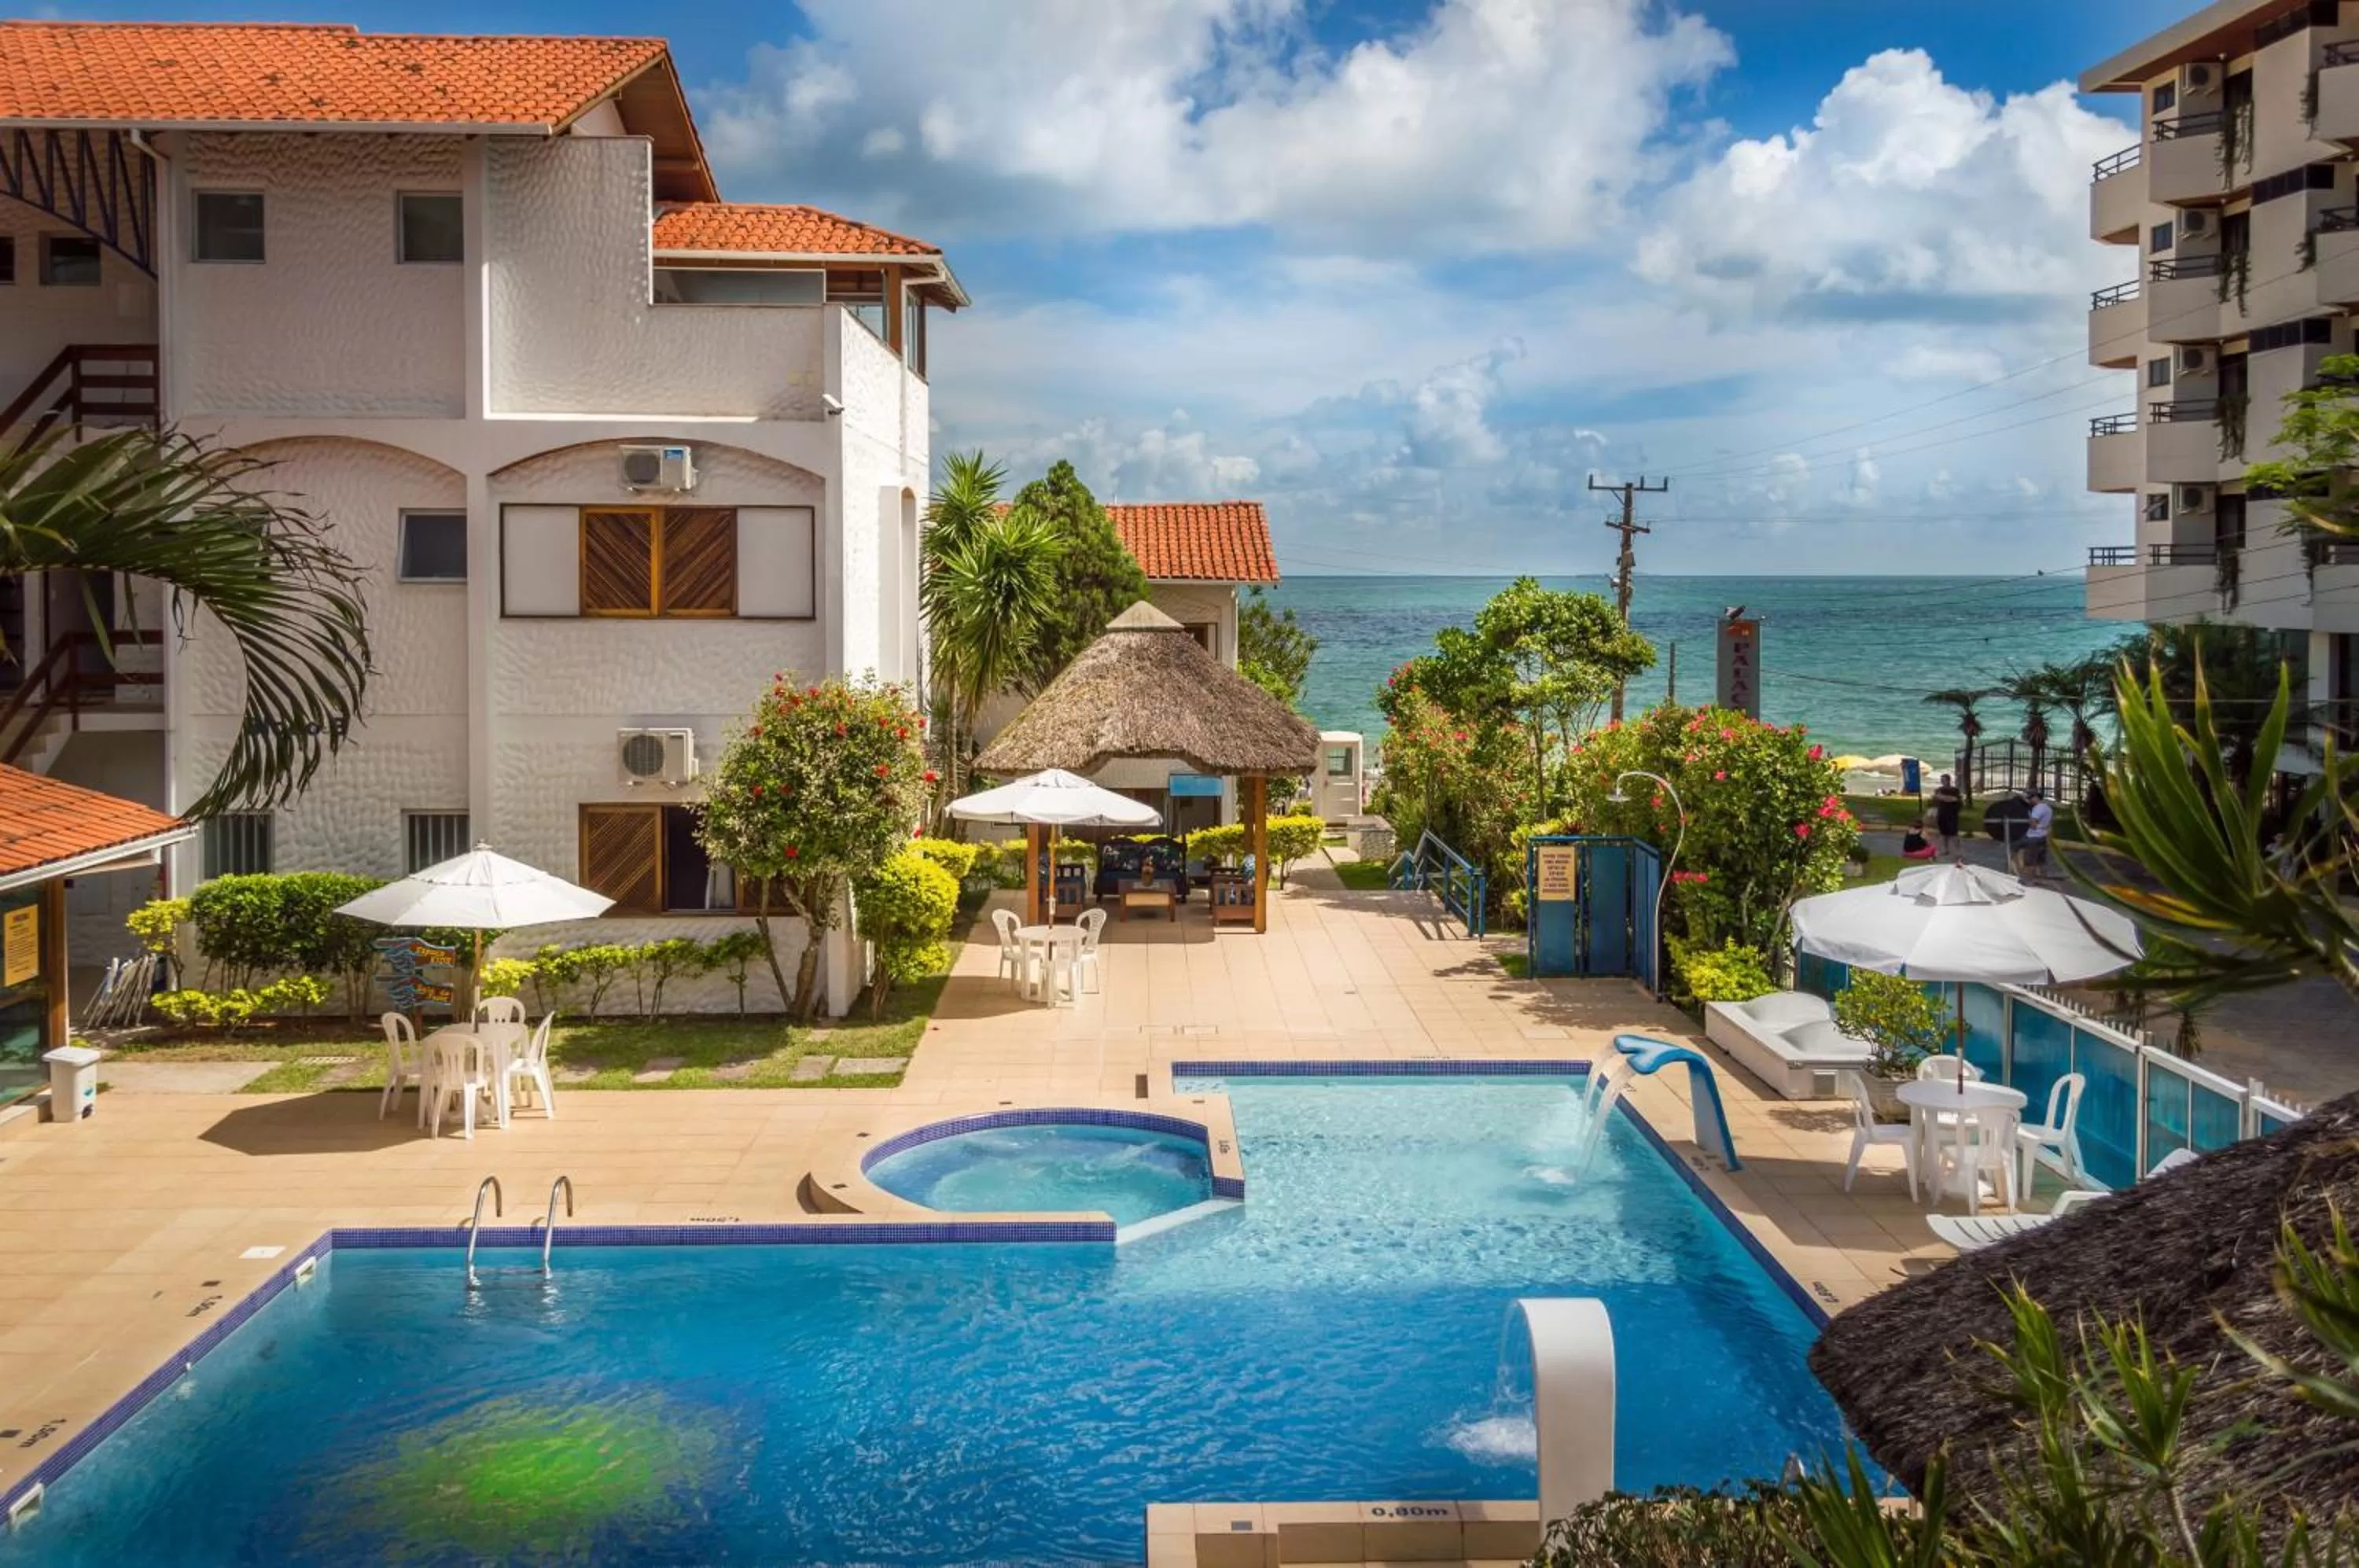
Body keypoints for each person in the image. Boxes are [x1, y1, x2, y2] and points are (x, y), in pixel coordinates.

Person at [2016, 786, 2055, 883]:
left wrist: (2029, 819)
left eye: (2030, 798)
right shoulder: (2048, 808)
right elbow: (2049, 824)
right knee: (2041, 861)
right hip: (2043, 837)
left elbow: (2033, 824)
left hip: (2034, 838)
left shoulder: (2038, 809)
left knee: (2029, 861)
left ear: (2036, 797)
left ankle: (2028, 881)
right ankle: (2044, 880)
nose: (2029, 800)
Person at [1930, 772, 1963, 857]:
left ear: (1949, 781)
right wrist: (1943, 798)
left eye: (1944, 780)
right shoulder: (1939, 789)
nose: (1942, 782)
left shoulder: (1954, 790)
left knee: (1954, 834)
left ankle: (1958, 851)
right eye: (1941, 780)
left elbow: (1954, 799)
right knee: (1943, 833)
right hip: (1942, 813)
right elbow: (1936, 799)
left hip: (1952, 814)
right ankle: (1945, 849)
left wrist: (1942, 797)